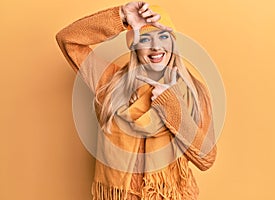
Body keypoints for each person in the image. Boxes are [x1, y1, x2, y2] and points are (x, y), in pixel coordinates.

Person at [56, 1, 217, 199]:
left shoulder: (193, 91)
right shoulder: (111, 83)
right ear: (134, 46)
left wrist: (170, 105)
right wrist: (121, 17)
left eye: (163, 36)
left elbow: (207, 158)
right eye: (146, 39)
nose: (156, 47)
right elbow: (68, 39)